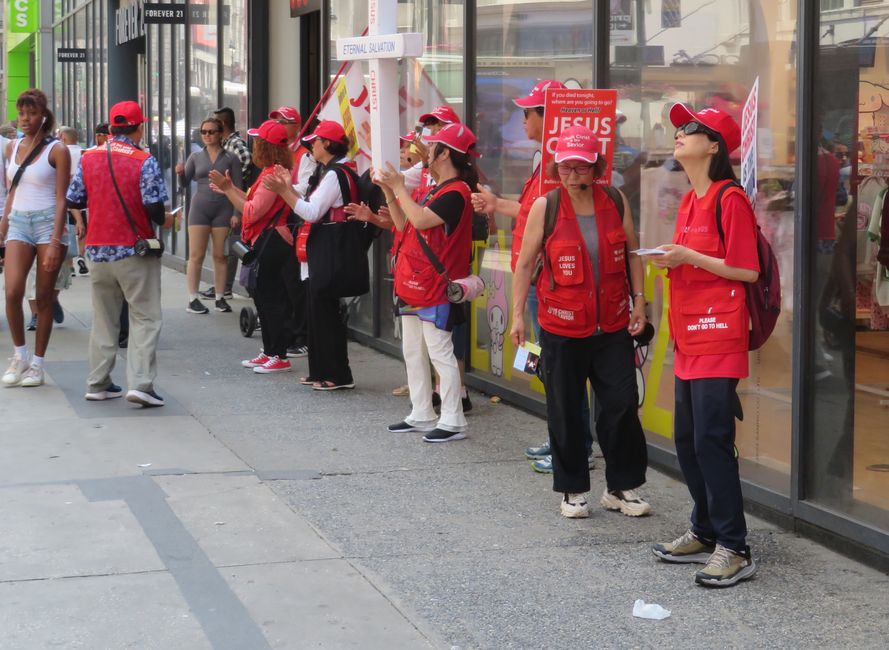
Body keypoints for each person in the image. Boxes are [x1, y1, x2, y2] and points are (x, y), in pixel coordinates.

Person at [510, 125, 650, 518]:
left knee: (621, 405)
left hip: (612, 326)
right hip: (562, 327)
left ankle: (621, 486)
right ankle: (573, 489)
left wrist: (639, 302)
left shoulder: (615, 200)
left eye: (581, 168)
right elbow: (524, 264)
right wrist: (518, 315)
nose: (573, 175)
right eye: (566, 168)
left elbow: (632, 255)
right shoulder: (546, 206)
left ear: (597, 168)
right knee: (566, 409)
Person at [645, 104, 759, 587]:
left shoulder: (729, 198)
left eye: (689, 129)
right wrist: (671, 261)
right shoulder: (692, 200)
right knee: (688, 440)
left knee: (712, 440)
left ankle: (735, 546)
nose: (679, 134)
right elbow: (697, 262)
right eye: (678, 128)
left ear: (714, 145)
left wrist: (687, 255)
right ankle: (707, 529)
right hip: (690, 334)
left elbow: (746, 270)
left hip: (719, 333)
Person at [472, 80, 597, 474]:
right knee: (549, 368)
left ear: (549, 116)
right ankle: (563, 437)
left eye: (529, 111)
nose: (523, 118)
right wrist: (496, 203)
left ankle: (576, 446)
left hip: (553, 282)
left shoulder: (563, 170)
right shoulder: (545, 163)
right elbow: (532, 215)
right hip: (541, 280)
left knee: (562, 370)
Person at [66, 100, 174, 406]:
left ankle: (98, 382)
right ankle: (140, 384)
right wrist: (164, 218)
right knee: (145, 316)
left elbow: (74, 198)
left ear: (111, 128)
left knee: (104, 320)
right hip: (134, 250)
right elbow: (154, 207)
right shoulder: (144, 159)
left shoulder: (89, 157)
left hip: (98, 250)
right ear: (139, 127)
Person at [375, 123, 478, 442]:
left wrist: (399, 187)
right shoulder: (439, 188)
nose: (424, 151)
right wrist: (390, 191)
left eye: (432, 146)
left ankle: (453, 419)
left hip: (434, 284)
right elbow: (406, 224)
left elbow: (418, 220)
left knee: (439, 352)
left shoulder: (457, 191)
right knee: (413, 350)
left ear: (445, 153)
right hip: (415, 281)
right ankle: (421, 411)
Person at [264, 120, 357, 390]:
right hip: (323, 247)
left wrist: (284, 191)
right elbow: (309, 205)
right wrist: (288, 189)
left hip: (328, 247)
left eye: (315, 141)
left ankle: (337, 374)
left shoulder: (334, 174)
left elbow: (312, 212)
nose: (311, 147)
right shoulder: (330, 171)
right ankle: (321, 370)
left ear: (327, 144)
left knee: (325, 312)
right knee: (317, 311)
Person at [209, 120, 295, 374]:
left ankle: (278, 354)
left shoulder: (272, 174)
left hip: (272, 241)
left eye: (257, 141)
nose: (253, 145)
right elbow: (251, 203)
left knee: (269, 299)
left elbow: (252, 211)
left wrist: (227, 190)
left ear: (265, 147)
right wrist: (230, 189)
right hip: (268, 240)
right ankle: (271, 351)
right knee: (263, 297)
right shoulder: (271, 171)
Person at [0, 89, 71, 388]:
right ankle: (20, 355)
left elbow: (62, 198)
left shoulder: (58, 150)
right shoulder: (11, 148)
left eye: (31, 113)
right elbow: (11, 191)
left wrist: (56, 241)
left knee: (43, 298)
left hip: (47, 226)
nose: (25, 119)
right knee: (13, 292)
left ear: (43, 115)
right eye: (21, 113)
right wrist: (2, 229)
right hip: (18, 223)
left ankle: (38, 364)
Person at [175, 117, 242, 314]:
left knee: (220, 255)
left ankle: (220, 297)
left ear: (220, 133)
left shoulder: (231, 158)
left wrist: (237, 212)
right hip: (200, 208)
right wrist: (180, 173)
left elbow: (238, 187)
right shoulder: (195, 157)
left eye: (211, 131)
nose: (207, 135)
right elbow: (184, 184)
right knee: (196, 255)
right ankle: (193, 298)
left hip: (223, 208)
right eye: (203, 132)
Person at [270, 105, 313, 358]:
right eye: (276, 120)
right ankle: (288, 331)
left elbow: (305, 189)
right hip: (279, 220)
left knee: (295, 281)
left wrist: (283, 187)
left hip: (296, 219)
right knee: (284, 282)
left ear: (296, 126)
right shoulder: (279, 152)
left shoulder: (304, 155)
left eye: (284, 121)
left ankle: (302, 335)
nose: (279, 124)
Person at [209, 106, 253, 300]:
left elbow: (246, 159)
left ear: (223, 124)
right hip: (228, 199)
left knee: (232, 245)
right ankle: (222, 285)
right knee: (226, 245)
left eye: (214, 125)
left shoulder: (234, 144)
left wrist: (234, 181)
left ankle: (226, 286)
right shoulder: (226, 144)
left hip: (235, 201)